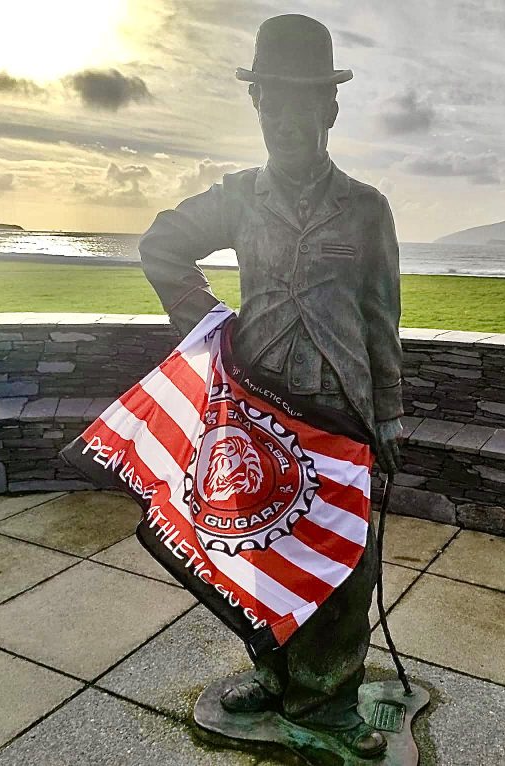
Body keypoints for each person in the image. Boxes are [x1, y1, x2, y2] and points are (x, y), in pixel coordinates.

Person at [139, 13, 403, 759]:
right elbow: (161, 246)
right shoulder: (236, 197)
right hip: (253, 405)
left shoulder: (367, 206)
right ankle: (276, 672)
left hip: (340, 405)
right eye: (274, 103)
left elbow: (383, 318)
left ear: (330, 110)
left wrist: (392, 412)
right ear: (257, 107)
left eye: (303, 104)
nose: (289, 120)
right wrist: (207, 325)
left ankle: (328, 696)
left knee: (347, 559)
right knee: (258, 552)